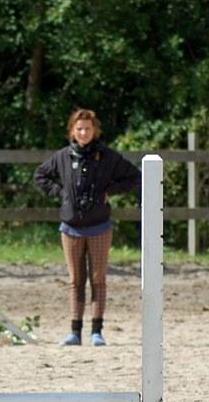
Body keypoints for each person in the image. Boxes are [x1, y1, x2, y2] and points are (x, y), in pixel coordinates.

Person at [33, 108, 139, 346]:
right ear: (72, 131)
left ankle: (97, 331)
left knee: (98, 279)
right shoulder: (62, 156)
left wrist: (110, 191)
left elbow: (133, 176)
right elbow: (40, 175)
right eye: (79, 129)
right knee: (75, 280)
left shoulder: (108, 156)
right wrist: (61, 193)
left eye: (88, 129)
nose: (83, 133)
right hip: (71, 228)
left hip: (99, 226)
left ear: (95, 130)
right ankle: (75, 330)